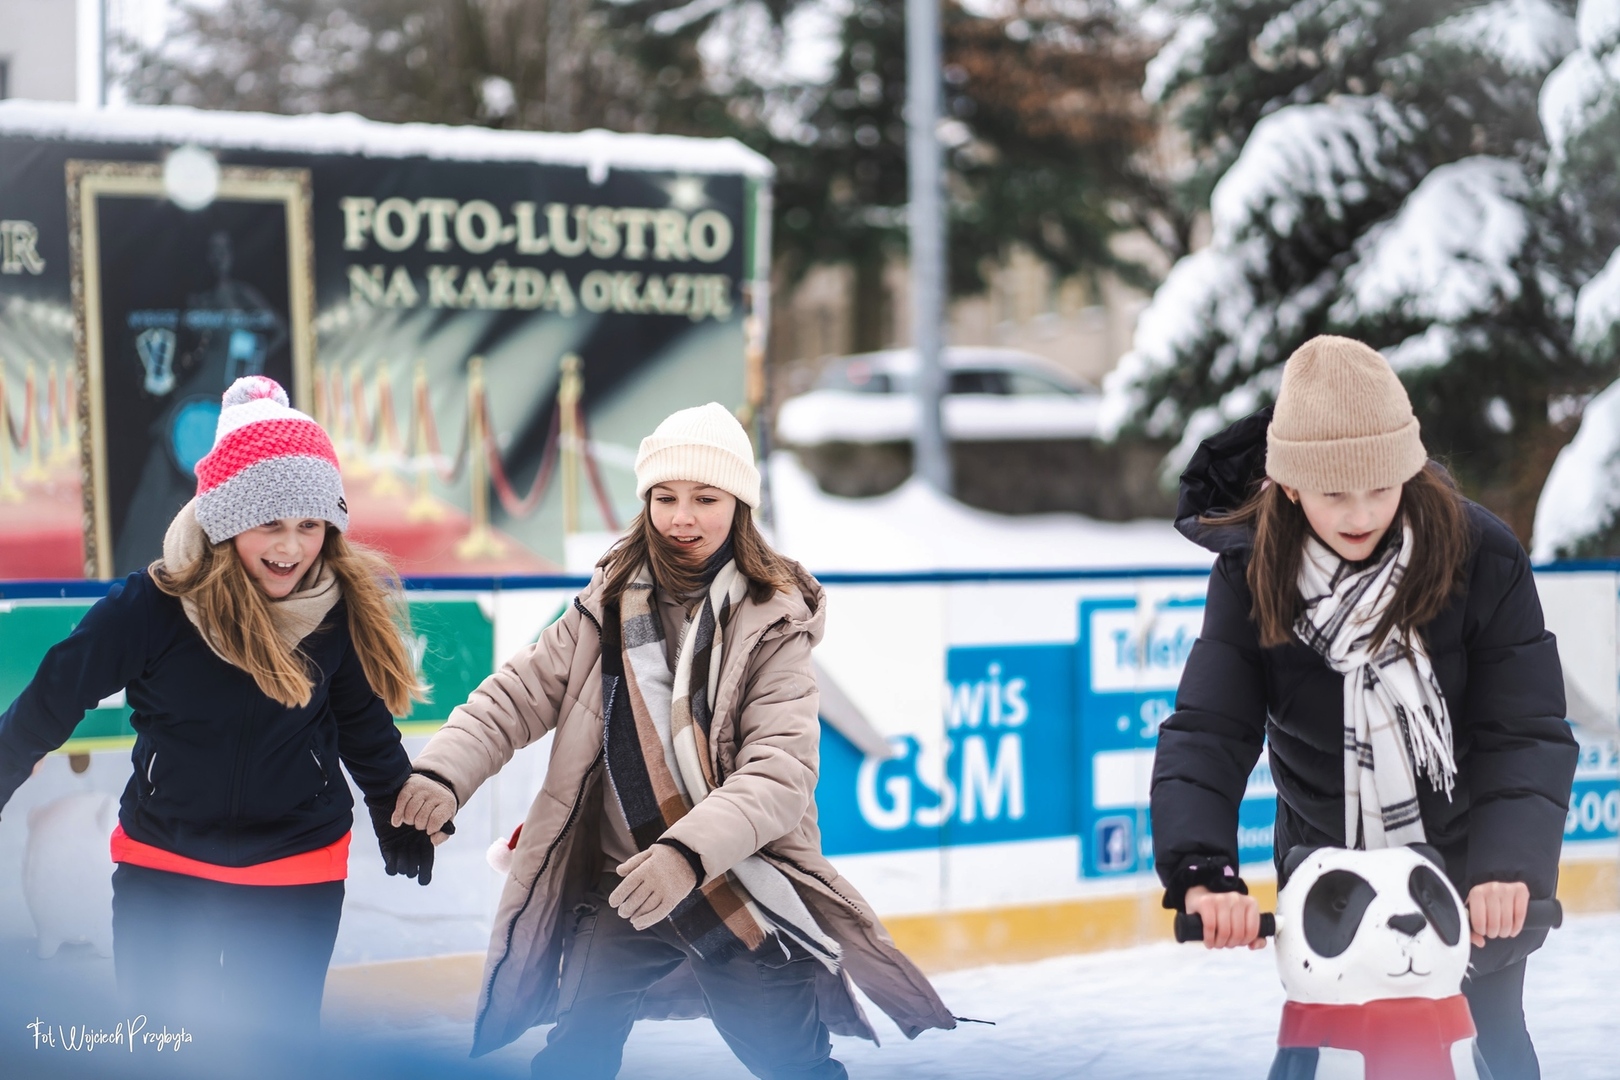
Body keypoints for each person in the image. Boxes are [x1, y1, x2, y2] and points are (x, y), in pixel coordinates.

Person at [390, 402, 956, 1079]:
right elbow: (515, 695)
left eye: (704, 498)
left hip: (739, 889)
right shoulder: (605, 605)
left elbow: (777, 775)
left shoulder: (773, 624)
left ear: (739, 504)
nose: (681, 517)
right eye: (665, 497)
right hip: (623, 886)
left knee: (792, 1063)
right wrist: (442, 775)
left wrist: (685, 855)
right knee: (574, 1053)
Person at [1150, 337, 1578, 1080]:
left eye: (1381, 488)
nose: (1361, 513)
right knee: (1310, 1040)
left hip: (1467, 864)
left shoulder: (1480, 556)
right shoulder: (1254, 575)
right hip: (1329, 865)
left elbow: (1522, 731)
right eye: (1335, 493)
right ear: (1288, 486)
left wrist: (1510, 870)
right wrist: (1202, 870)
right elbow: (1211, 729)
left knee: (1495, 1027)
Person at [0, 375, 438, 1036]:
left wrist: (393, 808)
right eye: (270, 524)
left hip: (297, 867)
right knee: (165, 1049)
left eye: (310, 525)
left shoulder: (329, 612)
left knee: (279, 1055)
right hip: (167, 866)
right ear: (228, 518)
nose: (291, 547)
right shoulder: (150, 608)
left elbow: (360, 723)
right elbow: (53, 697)